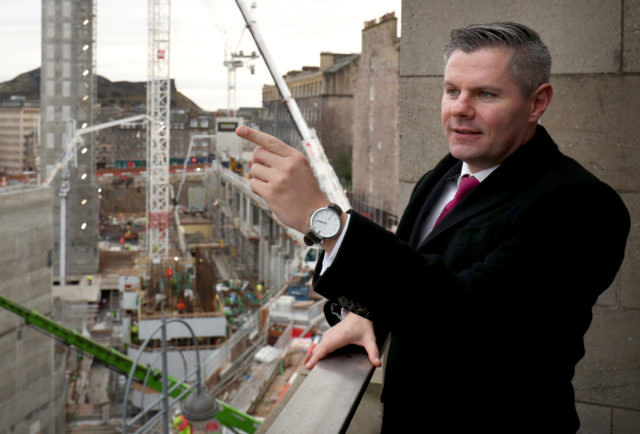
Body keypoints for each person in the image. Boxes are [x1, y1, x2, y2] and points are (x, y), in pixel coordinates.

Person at [236, 22, 630, 433]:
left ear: (537, 102)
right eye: (452, 90)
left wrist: (328, 223)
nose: (460, 107)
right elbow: (416, 279)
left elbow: (472, 320)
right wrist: (364, 314)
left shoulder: (582, 205)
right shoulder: (444, 175)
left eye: (486, 94)